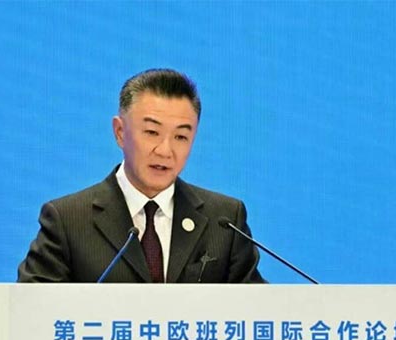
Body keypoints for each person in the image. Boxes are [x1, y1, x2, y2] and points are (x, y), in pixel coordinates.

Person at [17, 69, 265, 284]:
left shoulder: (225, 221)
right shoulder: (68, 221)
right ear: (120, 132)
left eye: (181, 137)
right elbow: (32, 310)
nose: (165, 151)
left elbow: (256, 312)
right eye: (151, 132)